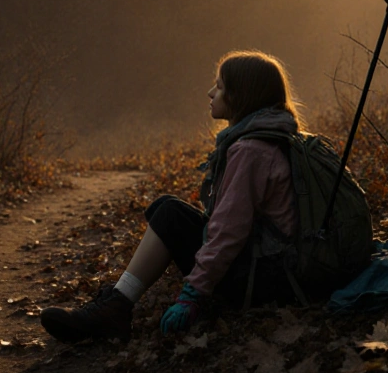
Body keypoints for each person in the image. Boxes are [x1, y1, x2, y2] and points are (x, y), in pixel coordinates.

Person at [40, 50, 303, 342]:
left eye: (220, 86)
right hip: (277, 269)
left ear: (241, 95)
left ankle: (115, 308)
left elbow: (228, 231)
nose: (210, 92)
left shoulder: (251, 151)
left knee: (169, 215)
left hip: (266, 281)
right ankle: (117, 300)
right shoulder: (275, 136)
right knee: (165, 207)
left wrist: (192, 294)